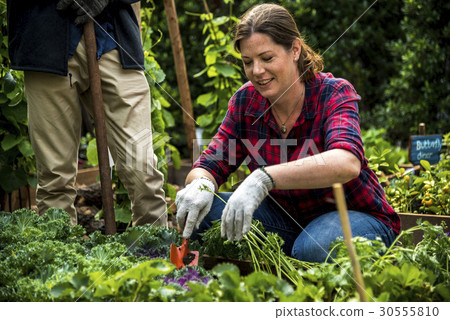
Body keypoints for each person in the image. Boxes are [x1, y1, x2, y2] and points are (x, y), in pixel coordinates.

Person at [175, 3, 400, 263]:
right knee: (205, 211)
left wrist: (264, 178)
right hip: (285, 221)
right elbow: (208, 164)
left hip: (354, 216)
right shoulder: (245, 103)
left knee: (314, 247)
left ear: (294, 50)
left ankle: (303, 254)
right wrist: (201, 183)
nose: (257, 71)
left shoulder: (333, 93)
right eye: (248, 62)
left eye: (267, 58)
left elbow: (347, 162)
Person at [6, 0, 167, 227]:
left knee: (142, 169)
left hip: (113, 39)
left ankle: (154, 257)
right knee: (55, 179)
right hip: (45, 41)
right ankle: (60, 259)